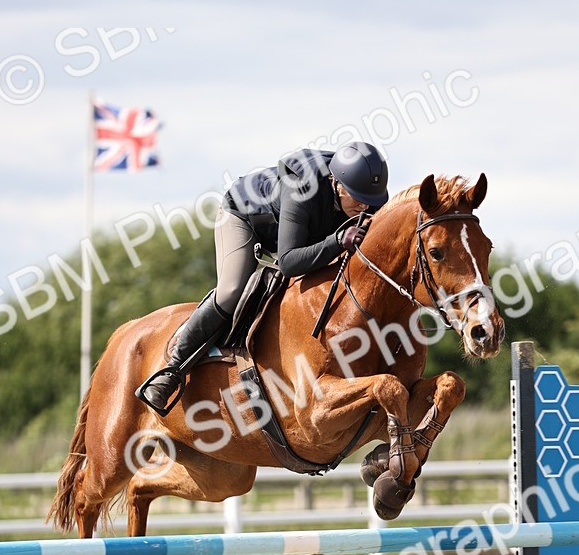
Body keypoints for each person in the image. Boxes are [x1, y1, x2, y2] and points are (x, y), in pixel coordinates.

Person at [136, 140, 389, 414]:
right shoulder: (302, 188)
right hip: (244, 216)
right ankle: (172, 369)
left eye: (371, 200)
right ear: (336, 183)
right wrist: (337, 241)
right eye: (357, 197)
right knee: (232, 290)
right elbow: (289, 261)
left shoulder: (366, 199)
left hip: (301, 232)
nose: (365, 206)